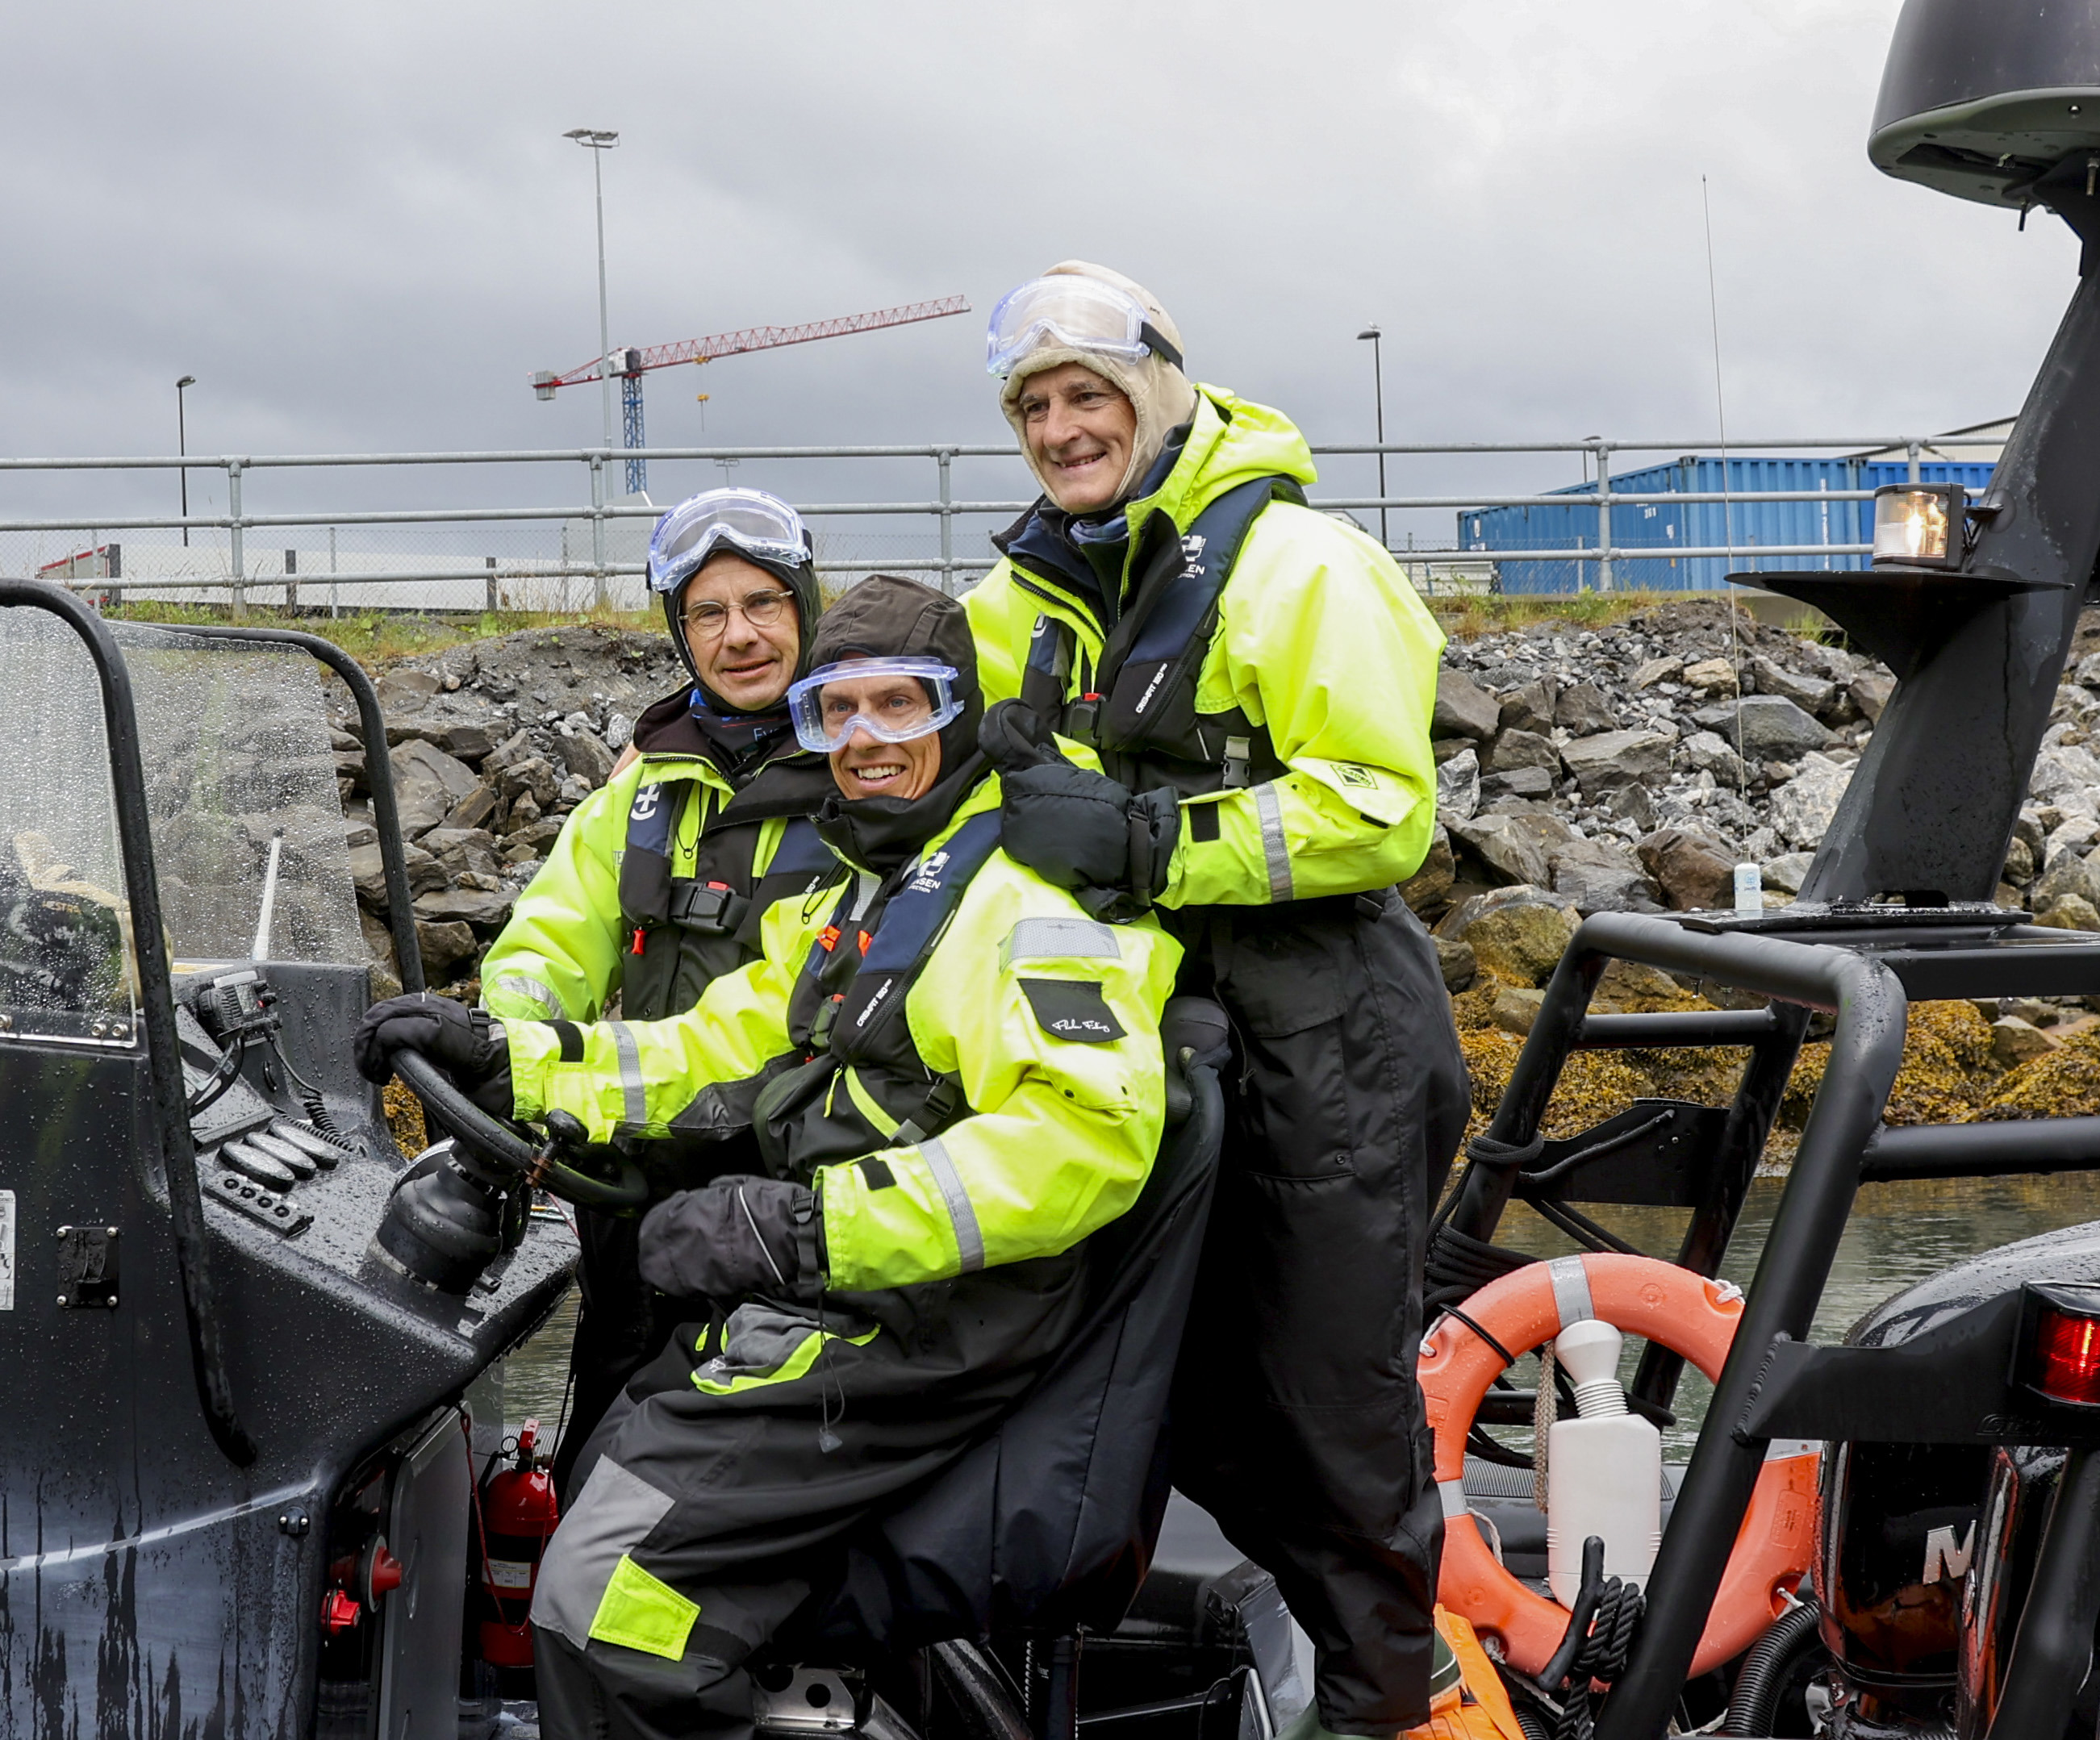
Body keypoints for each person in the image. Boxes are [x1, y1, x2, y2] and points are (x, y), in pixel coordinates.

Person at [358, 576, 1181, 1740]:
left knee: (603, 1605)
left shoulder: (1024, 908)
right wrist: (513, 1059)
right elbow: (707, 1043)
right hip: (849, 1302)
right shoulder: (872, 887)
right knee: (599, 1490)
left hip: (929, 1317)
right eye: (834, 714)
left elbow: (1081, 1140)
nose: (863, 741)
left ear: (960, 717)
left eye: (899, 707)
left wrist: (805, 1229)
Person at [962, 261, 1470, 1739]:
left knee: (1328, 1406)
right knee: (1131, 1379)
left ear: (1159, 393)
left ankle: (1388, 1700)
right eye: (1035, 405)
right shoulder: (1016, 600)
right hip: (1134, 1043)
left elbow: (1384, 812)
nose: (1062, 428)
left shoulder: (1305, 566)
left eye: (1087, 395)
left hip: (1328, 1031)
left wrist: (1146, 843)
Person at [478, 486, 841, 1489]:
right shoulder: (638, 793)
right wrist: (499, 1046)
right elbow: (544, 944)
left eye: (763, 604)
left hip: (798, 1200)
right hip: (637, 1186)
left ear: (805, 606)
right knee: (606, 1439)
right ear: (681, 636)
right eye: (708, 614)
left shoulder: (871, 774)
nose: (739, 636)